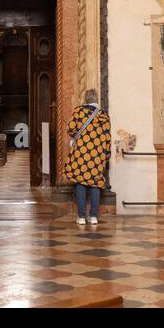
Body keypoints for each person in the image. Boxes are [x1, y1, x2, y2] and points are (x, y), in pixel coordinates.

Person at [63, 89, 111, 226]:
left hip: (81, 153)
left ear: (86, 100)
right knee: (96, 184)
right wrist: (105, 156)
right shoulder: (104, 116)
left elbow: (71, 129)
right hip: (98, 155)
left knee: (81, 183)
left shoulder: (79, 111)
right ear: (97, 100)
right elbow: (108, 138)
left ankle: (82, 217)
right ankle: (94, 216)